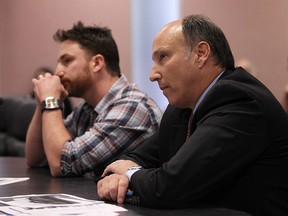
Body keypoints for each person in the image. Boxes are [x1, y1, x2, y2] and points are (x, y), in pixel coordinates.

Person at [97, 15, 288, 216]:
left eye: (163, 57)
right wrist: (123, 172)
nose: (152, 75)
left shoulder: (239, 102)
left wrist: (128, 174)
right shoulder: (183, 106)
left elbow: (168, 187)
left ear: (201, 53)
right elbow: (137, 157)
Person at [25, 22, 162, 178]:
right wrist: (41, 101)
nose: (58, 71)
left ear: (97, 63)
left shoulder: (132, 107)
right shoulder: (86, 109)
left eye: (67, 61)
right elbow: (35, 158)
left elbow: (60, 164)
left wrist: (50, 100)